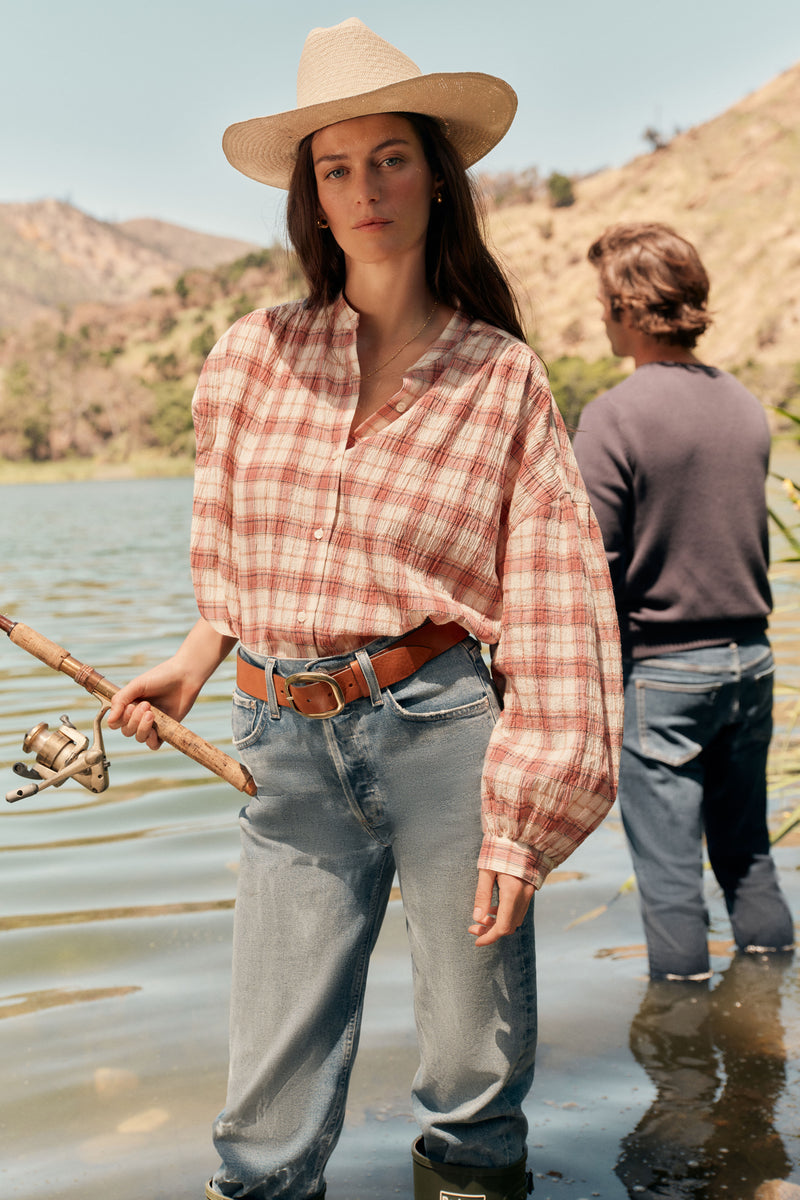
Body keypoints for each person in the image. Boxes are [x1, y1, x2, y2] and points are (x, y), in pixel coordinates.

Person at [107, 19, 622, 1200]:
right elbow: (232, 551)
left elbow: (554, 598)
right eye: (334, 168)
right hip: (278, 747)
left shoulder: (500, 373)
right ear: (312, 201)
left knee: (472, 1079)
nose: (365, 187)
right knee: (264, 1123)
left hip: (444, 734)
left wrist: (526, 816)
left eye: (388, 156)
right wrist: (190, 663)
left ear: (436, 175)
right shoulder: (248, 355)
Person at [573, 222, 795, 984]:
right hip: (752, 663)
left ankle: (684, 1068)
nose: (600, 316)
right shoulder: (742, 404)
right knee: (749, 858)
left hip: (665, 674)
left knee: (670, 884)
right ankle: (768, 1030)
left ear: (633, 308)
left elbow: (592, 567)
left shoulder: (613, 417)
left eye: (605, 301)